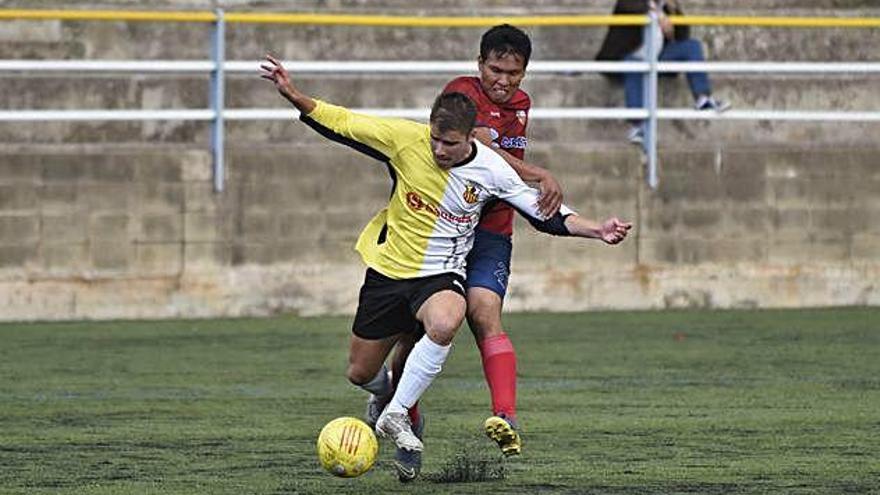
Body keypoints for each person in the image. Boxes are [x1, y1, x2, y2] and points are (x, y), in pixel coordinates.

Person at [260, 55, 633, 482]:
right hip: (388, 273)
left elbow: (544, 212)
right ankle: (388, 398)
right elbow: (344, 123)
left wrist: (597, 229)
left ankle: (399, 415)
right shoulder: (405, 139)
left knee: (450, 316)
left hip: (439, 276)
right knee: (360, 373)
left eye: (450, 144)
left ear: (470, 138)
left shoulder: (492, 169)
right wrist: (294, 95)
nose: (439, 150)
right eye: (436, 140)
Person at [372, 24, 564, 463]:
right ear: (480, 66)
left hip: (492, 227)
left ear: (525, 72)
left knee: (484, 313)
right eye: (496, 69)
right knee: (414, 333)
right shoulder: (462, 94)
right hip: (439, 230)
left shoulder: (521, 104)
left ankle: (506, 418)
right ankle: (408, 419)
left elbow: (498, 167)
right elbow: (479, 150)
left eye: (514, 72)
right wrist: (537, 173)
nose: (504, 80)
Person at [596, 0, 731, 144]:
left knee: (692, 46)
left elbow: (683, 35)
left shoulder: (667, 5)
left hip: (657, 56)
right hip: (629, 56)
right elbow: (629, 5)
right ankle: (638, 126)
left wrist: (674, 13)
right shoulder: (633, 3)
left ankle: (703, 98)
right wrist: (658, 15)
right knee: (634, 64)